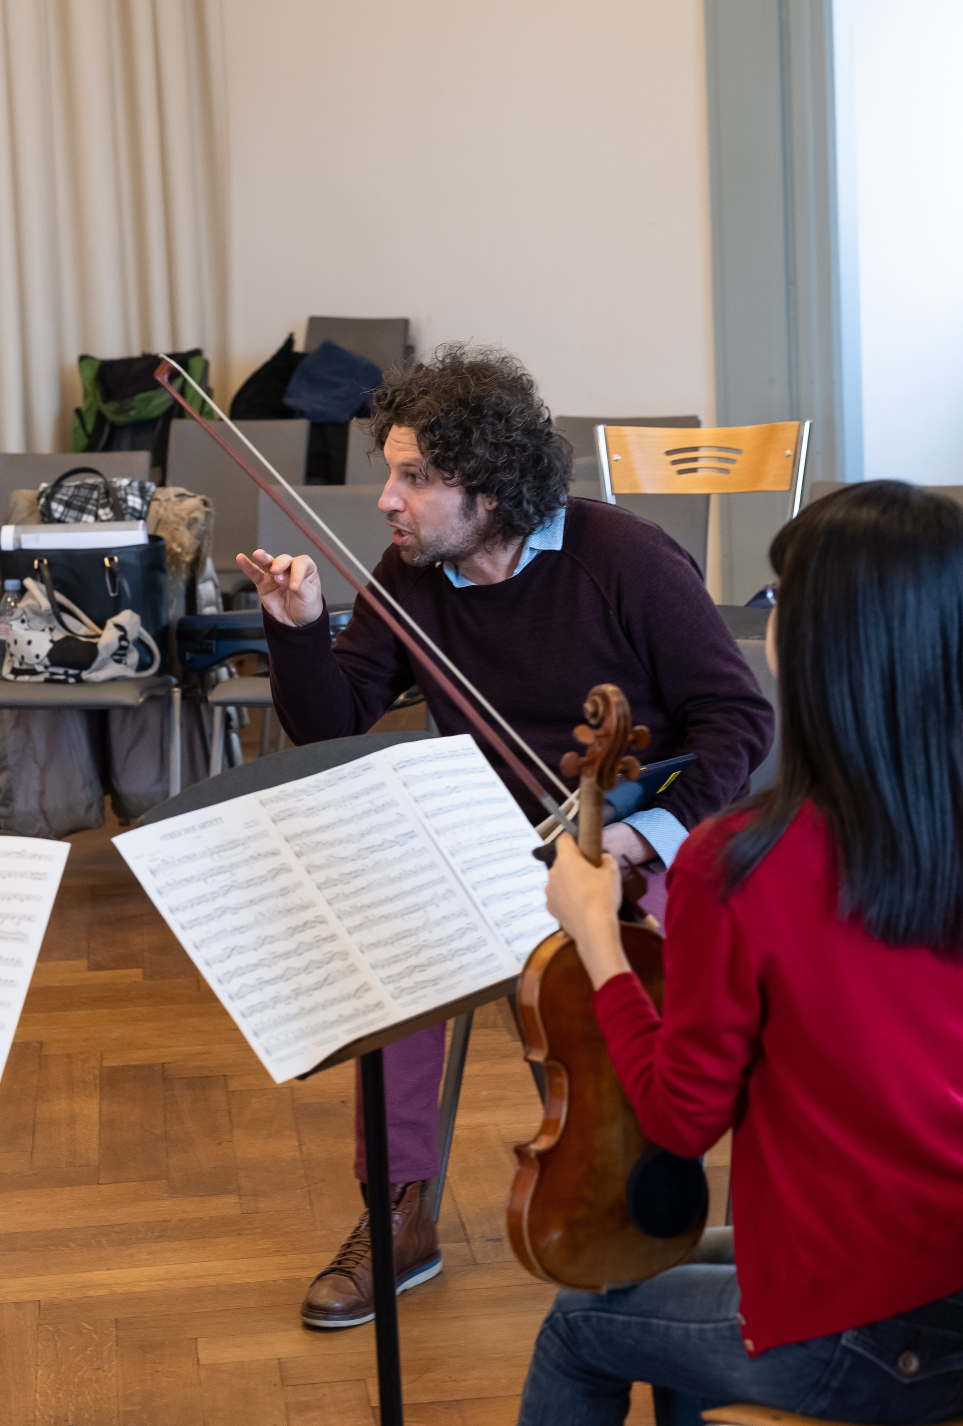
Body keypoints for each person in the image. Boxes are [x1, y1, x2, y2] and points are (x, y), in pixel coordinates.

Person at [235, 344, 774, 1330]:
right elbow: (334, 718)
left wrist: (635, 843)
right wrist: (300, 626)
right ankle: (398, 1210)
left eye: (414, 478)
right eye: (389, 471)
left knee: (611, 952)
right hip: (482, 844)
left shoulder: (625, 559)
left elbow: (737, 722)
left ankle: (629, 1183)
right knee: (389, 941)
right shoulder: (412, 572)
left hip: (630, 842)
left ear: (485, 491)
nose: (387, 501)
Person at [515, 481, 963, 1426]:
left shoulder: (740, 863)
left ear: (808, 645)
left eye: (778, 601)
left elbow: (681, 1118)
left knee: (580, 1331)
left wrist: (597, 937)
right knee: (645, 1275)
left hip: (877, 1336)